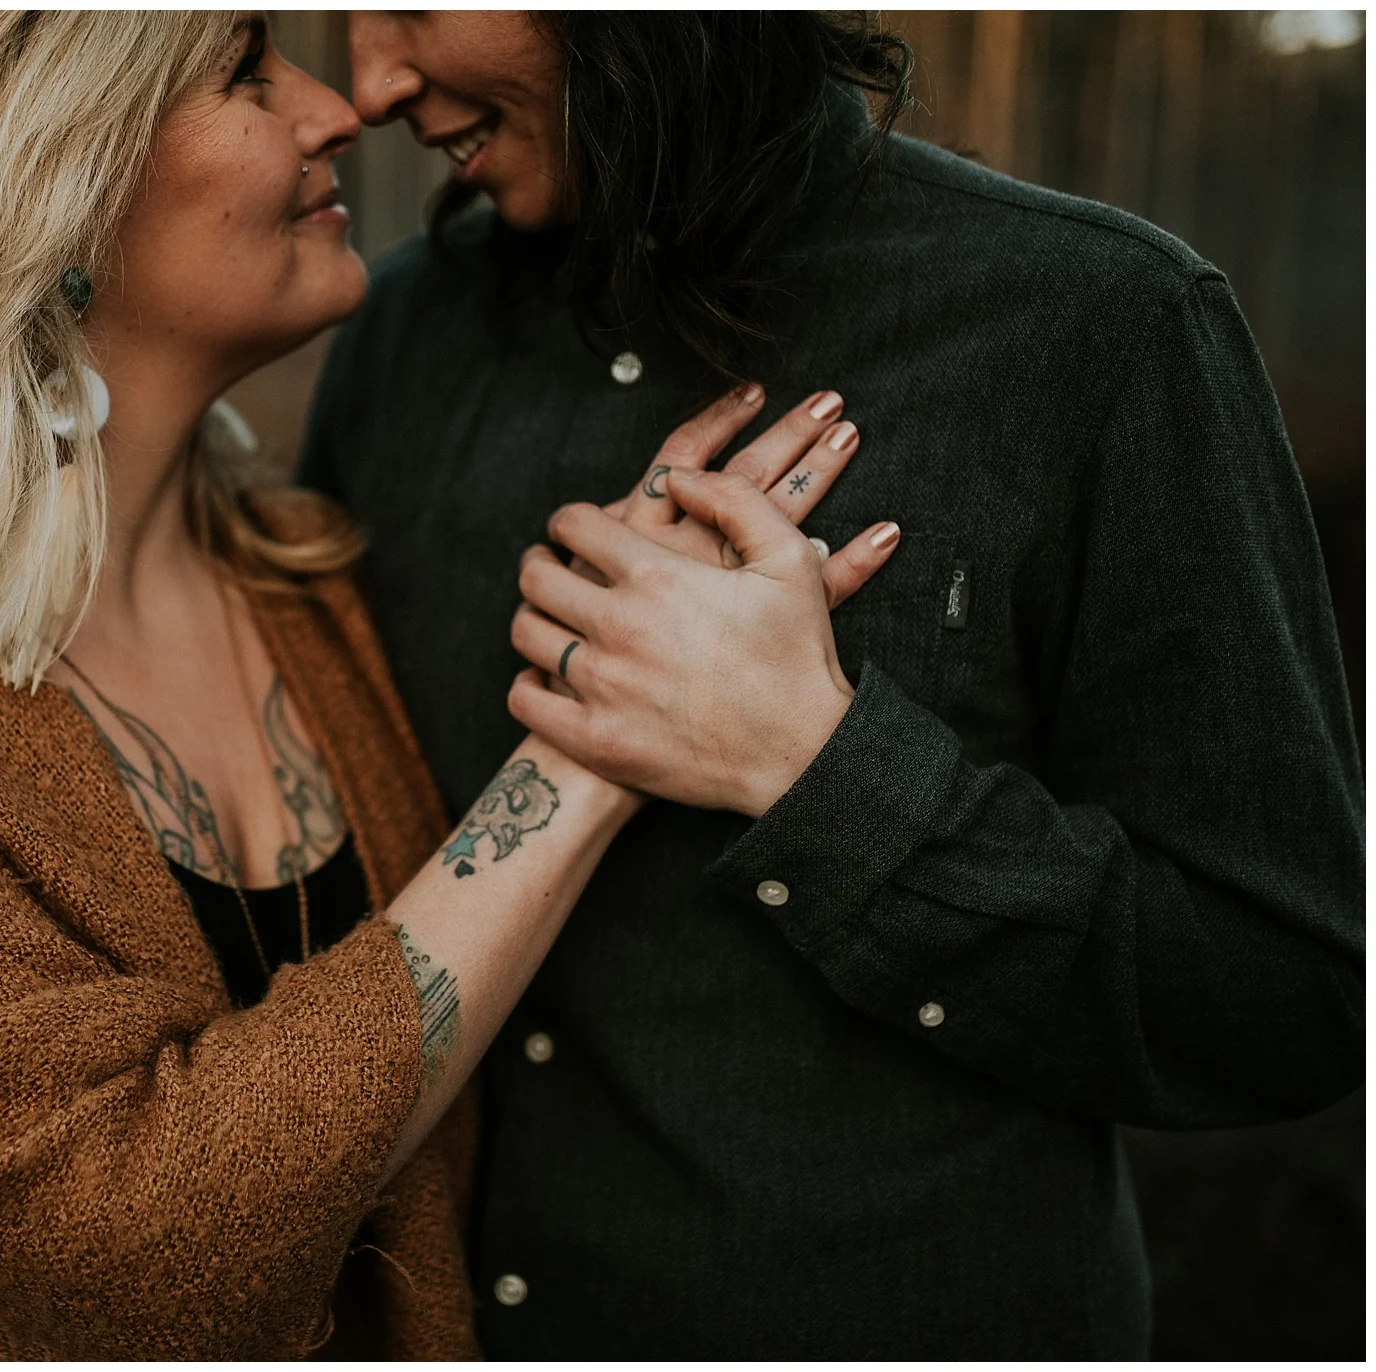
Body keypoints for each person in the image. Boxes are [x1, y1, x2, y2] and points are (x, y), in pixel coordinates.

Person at [0, 12, 887, 1359]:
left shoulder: (301, 579)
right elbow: (135, 1255)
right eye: (245, 71)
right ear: (36, 176)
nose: (336, 108)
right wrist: (593, 741)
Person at [302, 10, 1365, 1360]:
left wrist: (818, 768)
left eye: (409, 3)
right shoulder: (400, 331)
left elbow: (1289, 993)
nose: (373, 77)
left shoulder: (1099, 326)